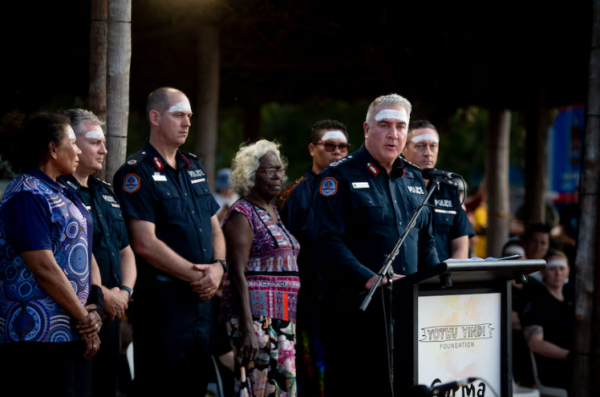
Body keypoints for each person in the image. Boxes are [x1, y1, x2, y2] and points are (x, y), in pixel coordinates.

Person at [312, 94, 439, 397]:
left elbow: (427, 240)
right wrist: (369, 277)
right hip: (355, 314)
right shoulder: (338, 177)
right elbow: (327, 242)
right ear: (367, 129)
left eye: (400, 126)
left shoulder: (413, 178)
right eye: (384, 125)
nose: (393, 134)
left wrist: (438, 282)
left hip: (407, 313)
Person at [113, 87, 225, 396]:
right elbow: (144, 243)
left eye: (189, 116)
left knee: (196, 386)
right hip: (163, 305)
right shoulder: (135, 174)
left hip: (201, 306)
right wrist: (198, 276)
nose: (187, 122)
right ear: (155, 117)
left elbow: (214, 225)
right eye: (179, 115)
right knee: (159, 387)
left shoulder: (194, 167)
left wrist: (219, 267)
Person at [0, 112, 102, 396]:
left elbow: (82, 249)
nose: (79, 149)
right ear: (52, 149)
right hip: (37, 333)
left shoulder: (61, 190)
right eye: (73, 142)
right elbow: (43, 266)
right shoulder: (26, 192)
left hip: (70, 331)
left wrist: (92, 308)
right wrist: (84, 317)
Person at [60, 109, 136, 397]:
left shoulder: (106, 191)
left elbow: (126, 251)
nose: (104, 149)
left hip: (113, 314)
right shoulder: (57, 192)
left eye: (104, 142)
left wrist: (124, 293)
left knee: (107, 387)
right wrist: (104, 294)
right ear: (70, 141)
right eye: (95, 142)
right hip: (77, 316)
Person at [221, 140, 300, 397]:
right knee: (259, 390)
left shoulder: (274, 211)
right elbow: (236, 273)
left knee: (280, 391)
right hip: (257, 323)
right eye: (270, 171)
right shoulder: (242, 214)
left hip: (282, 322)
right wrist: (247, 329)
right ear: (251, 175)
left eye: (280, 169)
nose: (278, 176)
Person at [276, 119, 349, 397]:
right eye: (329, 146)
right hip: (308, 304)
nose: (337, 152)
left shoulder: (355, 189)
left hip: (351, 300)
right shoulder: (292, 195)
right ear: (311, 148)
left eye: (343, 147)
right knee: (313, 380)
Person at [402, 120, 474, 261]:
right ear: (404, 148)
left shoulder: (451, 191)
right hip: (406, 278)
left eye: (433, 146)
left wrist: (447, 277)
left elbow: (461, 247)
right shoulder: (394, 186)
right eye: (420, 146)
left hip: (443, 279)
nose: (428, 153)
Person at [522, 250, 574, 391]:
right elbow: (535, 344)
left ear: (568, 271)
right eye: (552, 268)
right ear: (543, 272)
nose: (558, 273)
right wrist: (570, 357)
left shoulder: (573, 299)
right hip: (553, 373)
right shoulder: (537, 299)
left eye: (561, 268)